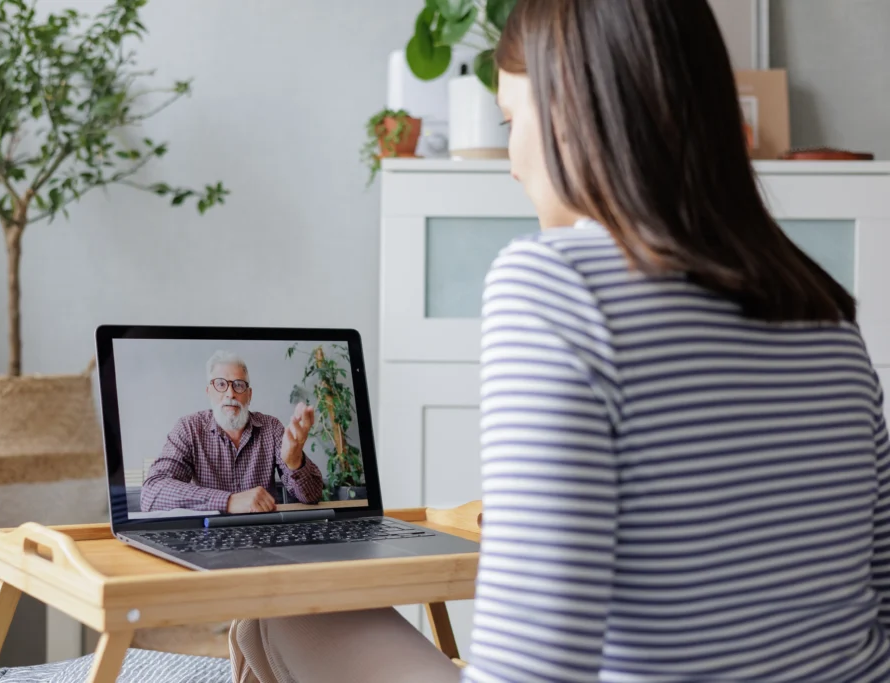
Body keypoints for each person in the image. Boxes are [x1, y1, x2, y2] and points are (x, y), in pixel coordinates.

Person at [227, 0, 890, 681]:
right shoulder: (823, 313)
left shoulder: (557, 284)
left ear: (575, 113)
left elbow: (535, 671)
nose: (512, 160)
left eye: (512, 122)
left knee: (278, 599)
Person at [140, 350, 325, 514]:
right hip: (208, 538)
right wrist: (228, 501)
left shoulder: (272, 428)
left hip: (264, 536)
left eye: (238, 385)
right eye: (221, 384)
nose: (230, 393)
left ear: (249, 394)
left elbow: (313, 496)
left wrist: (295, 461)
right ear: (208, 392)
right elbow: (151, 494)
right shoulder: (188, 428)